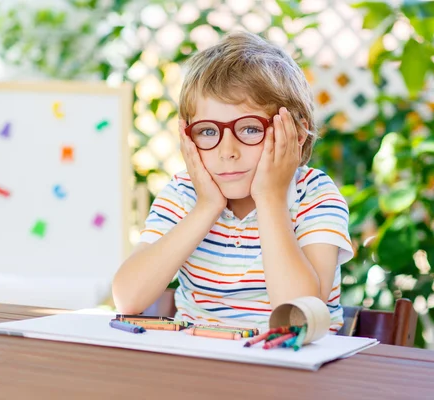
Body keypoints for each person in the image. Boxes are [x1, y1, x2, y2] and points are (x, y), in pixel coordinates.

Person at [112, 30, 354, 332]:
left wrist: (271, 199)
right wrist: (206, 207)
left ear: (297, 134)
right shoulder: (183, 194)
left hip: (291, 369)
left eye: (250, 129)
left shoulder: (314, 196)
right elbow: (128, 299)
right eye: (208, 132)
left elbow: (300, 317)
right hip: (201, 366)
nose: (227, 152)